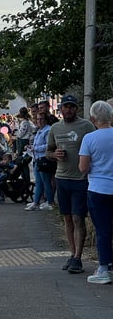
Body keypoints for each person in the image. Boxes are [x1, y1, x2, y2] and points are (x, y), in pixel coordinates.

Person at [46, 95, 95, 274]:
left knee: (78, 217)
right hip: (61, 178)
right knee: (67, 218)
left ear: (76, 109)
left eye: (71, 107)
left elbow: (95, 148)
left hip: (80, 180)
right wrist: (54, 155)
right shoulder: (55, 128)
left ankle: (78, 258)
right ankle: (72, 253)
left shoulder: (86, 126)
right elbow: (47, 151)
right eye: (65, 107)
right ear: (61, 109)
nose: (68, 110)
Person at [78, 101, 113, 284]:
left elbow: (83, 168)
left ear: (93, 119)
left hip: (98, 189)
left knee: (103, 230)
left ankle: (103, 268)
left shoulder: (89, 139)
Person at [25, 112, 55, 211]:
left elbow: (48, 145)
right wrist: (32, 147)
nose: (39, 121)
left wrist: (36, 148)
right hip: (38, 159)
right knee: (38, 182)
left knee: (46, 181)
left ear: (45, 120)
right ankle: (36, 202)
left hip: (44, 158)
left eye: (41, 119)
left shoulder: (48, 130)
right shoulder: (40, 130)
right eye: (38, 119)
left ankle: (50, 202)